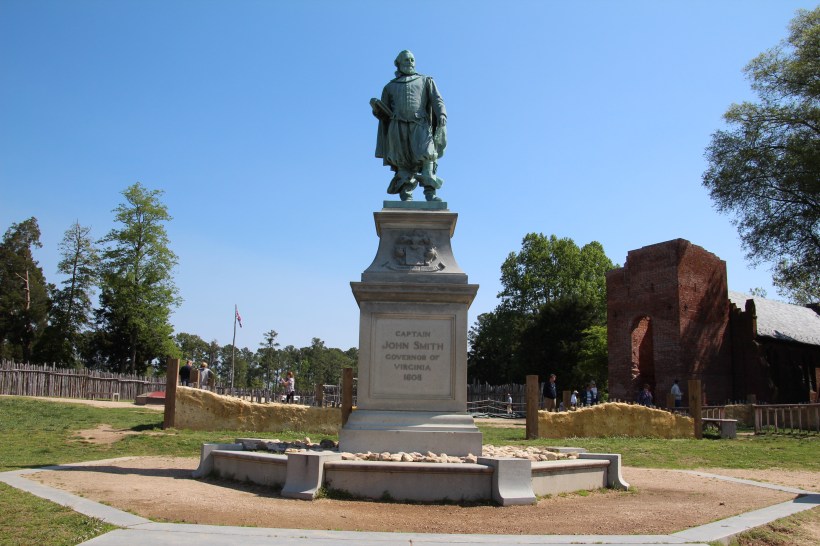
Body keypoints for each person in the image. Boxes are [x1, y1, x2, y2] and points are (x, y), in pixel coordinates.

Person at [372, 50, 447, 202]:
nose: (410, 62)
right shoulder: (389, 87)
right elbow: (383, 114)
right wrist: (377, 109)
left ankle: (430, 193)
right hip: (397, 127)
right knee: (403, 161)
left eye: (412, 60)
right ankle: (406, 194)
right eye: (406, 60)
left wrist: (442, 115)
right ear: (398, 64)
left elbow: (437, 100)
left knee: (428, 156)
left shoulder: (426, 80)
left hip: (420, 124)